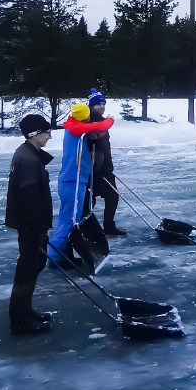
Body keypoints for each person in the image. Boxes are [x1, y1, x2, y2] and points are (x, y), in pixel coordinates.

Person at [47, 102, 114, 267]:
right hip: (73, 180)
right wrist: (110, 120)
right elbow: (104, 125)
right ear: (86, 117)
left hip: (75, 179)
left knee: (70, 219)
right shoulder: (76, 128)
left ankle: (60, 256)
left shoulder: (74, 126)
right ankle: (55, 258)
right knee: (69, 221)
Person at [6, 114, 55, 335]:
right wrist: (37, 229)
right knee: (27, 269)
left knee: (33, 266)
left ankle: (24, 311)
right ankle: (19, 321)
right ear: (34, 135)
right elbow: (29, 197)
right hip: (30, 225)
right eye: (46, 132)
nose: (50, 136)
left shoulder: (28, 154)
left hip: (30, 225)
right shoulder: (28, 159)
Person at [83, 88, 124, 237]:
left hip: (104, 168)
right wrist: (89, 138)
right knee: (89, 200)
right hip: (91, 170)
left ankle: (108, 226)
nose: (102, 106)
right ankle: (88, 229)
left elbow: (106, 146)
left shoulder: (102, 122)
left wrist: (108, 163)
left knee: (113, 196)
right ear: (91, 106)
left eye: (103, 104)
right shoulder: (88, 122)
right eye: (99, 104)